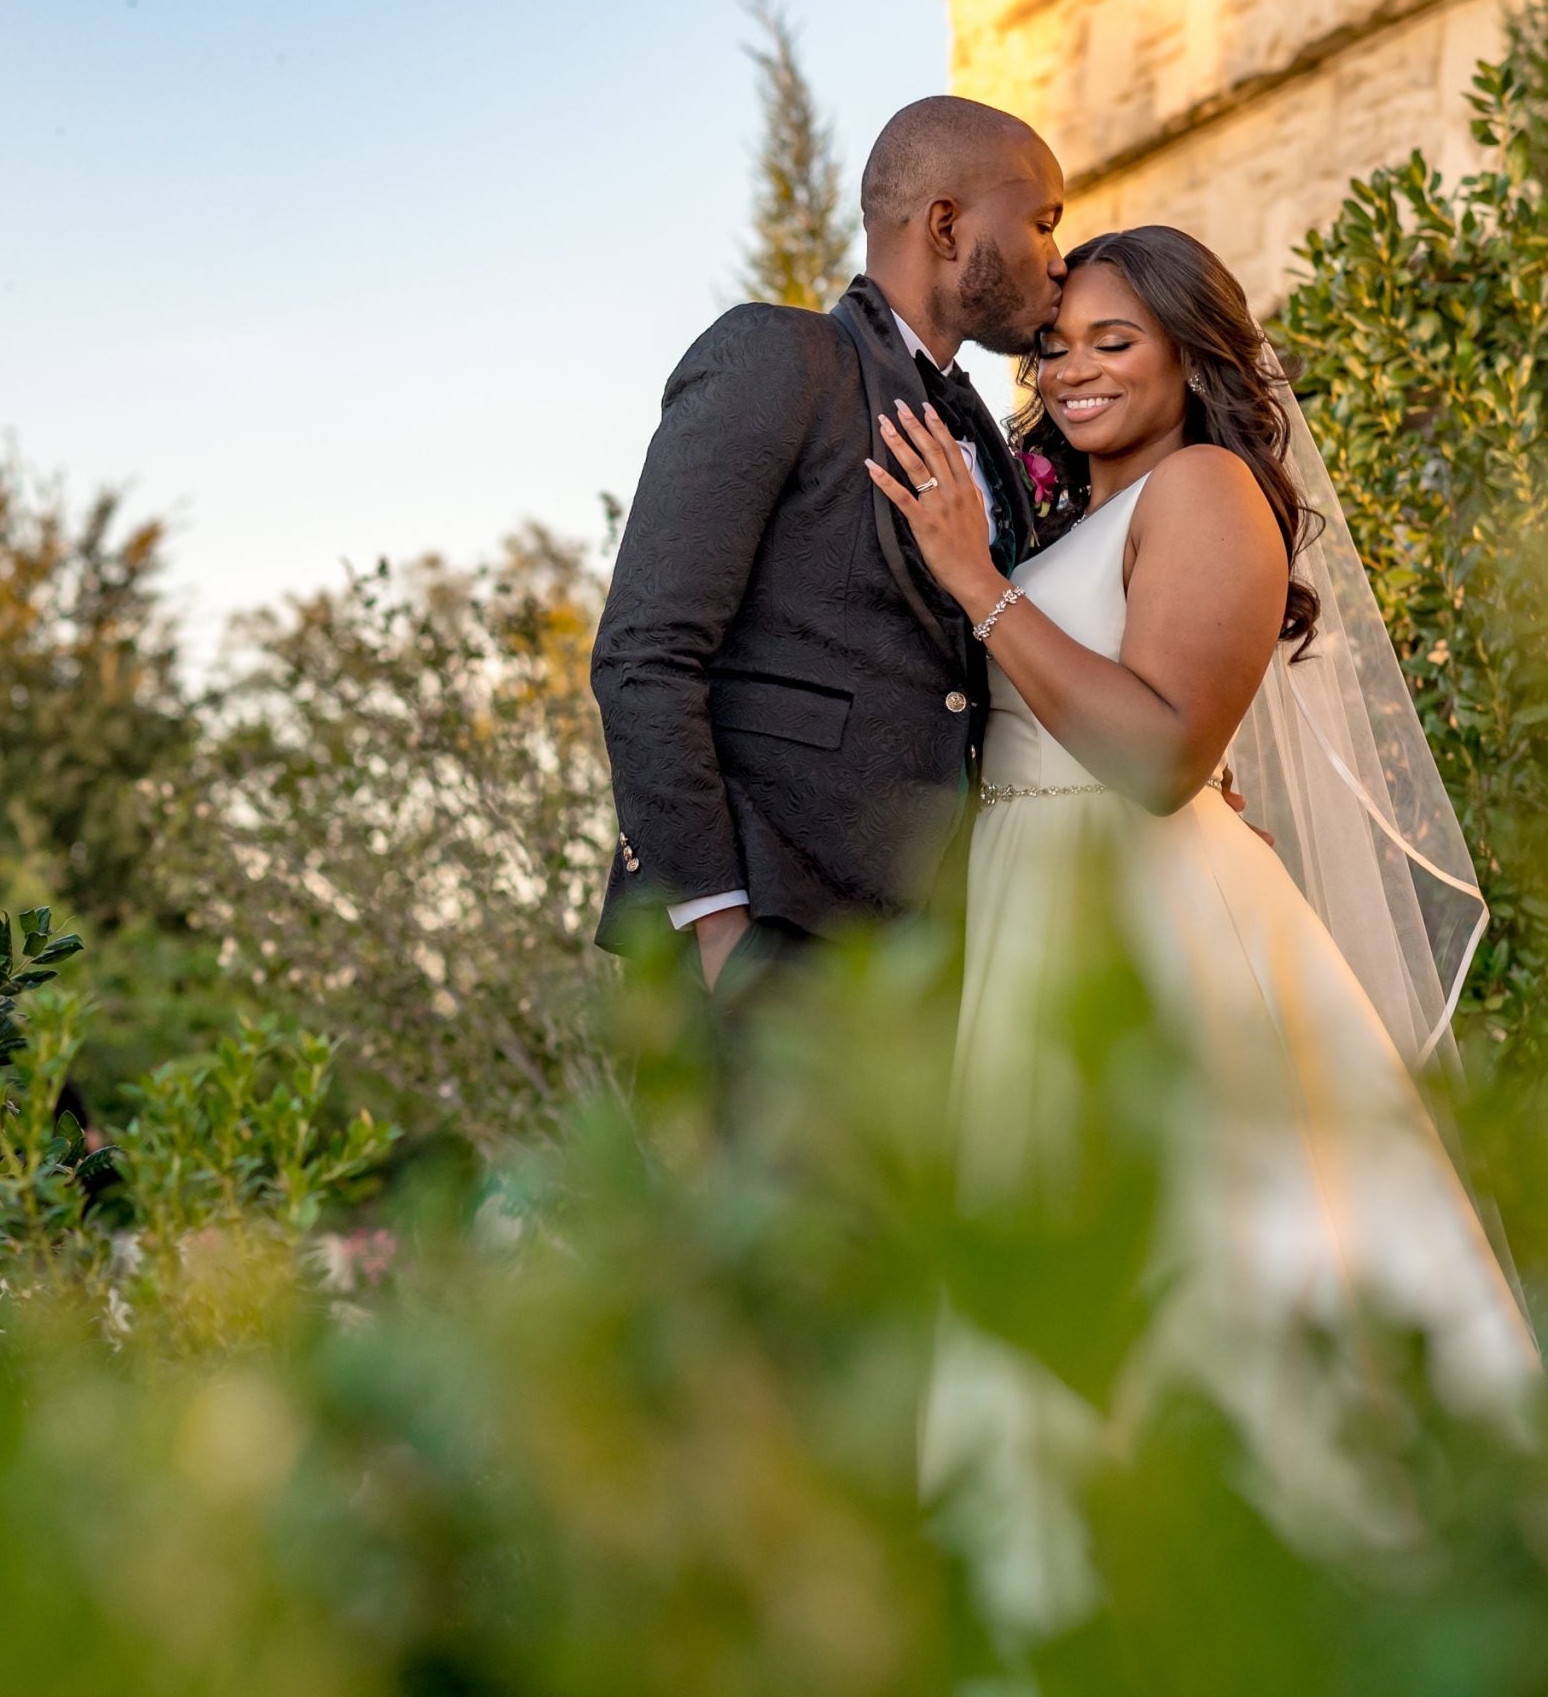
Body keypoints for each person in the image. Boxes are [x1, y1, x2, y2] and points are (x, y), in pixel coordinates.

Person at [872, 224, 1541, 1636]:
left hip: (1145, 910)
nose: (1075, 369)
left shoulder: (1209, 488)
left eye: (1117, 339)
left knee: (1208, 1265)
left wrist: (974, 580)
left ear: (1191, 353)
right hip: (1034, 904)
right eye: (1056, 343)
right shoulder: (1085, 518)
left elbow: (1165, 757)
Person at [591, 96, 1066, 990]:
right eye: (1042, 220)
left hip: (937, 960)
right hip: (772, 937)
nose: (1058, 256)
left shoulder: (985, 433)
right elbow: (643, 654)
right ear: (947, 223)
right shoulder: (776, 357)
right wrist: (717, 922)